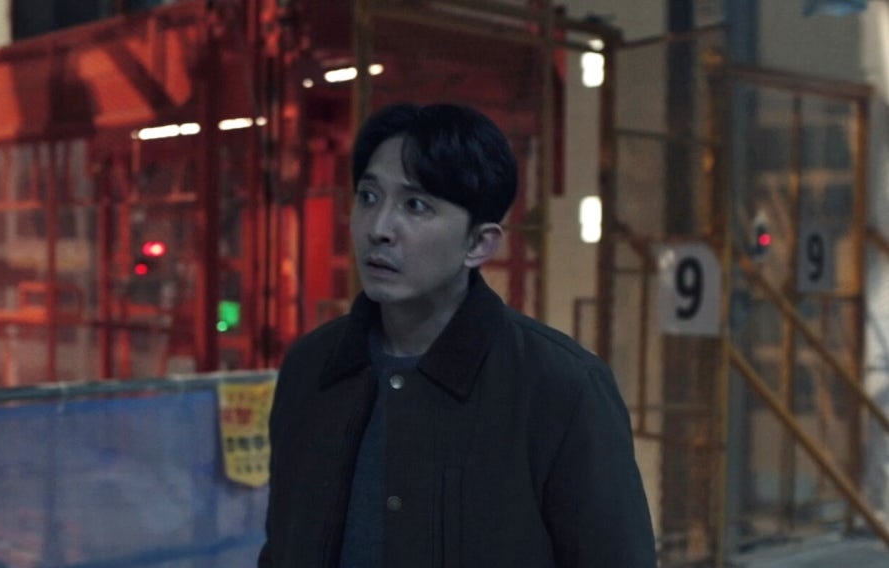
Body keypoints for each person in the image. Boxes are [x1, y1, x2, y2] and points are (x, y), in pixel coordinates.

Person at [258, 103, 657, 567]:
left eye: (415, 206)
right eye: (368, 197)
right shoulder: (311, 368)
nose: (379, 229)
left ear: (479, 244)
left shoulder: (561, 390)